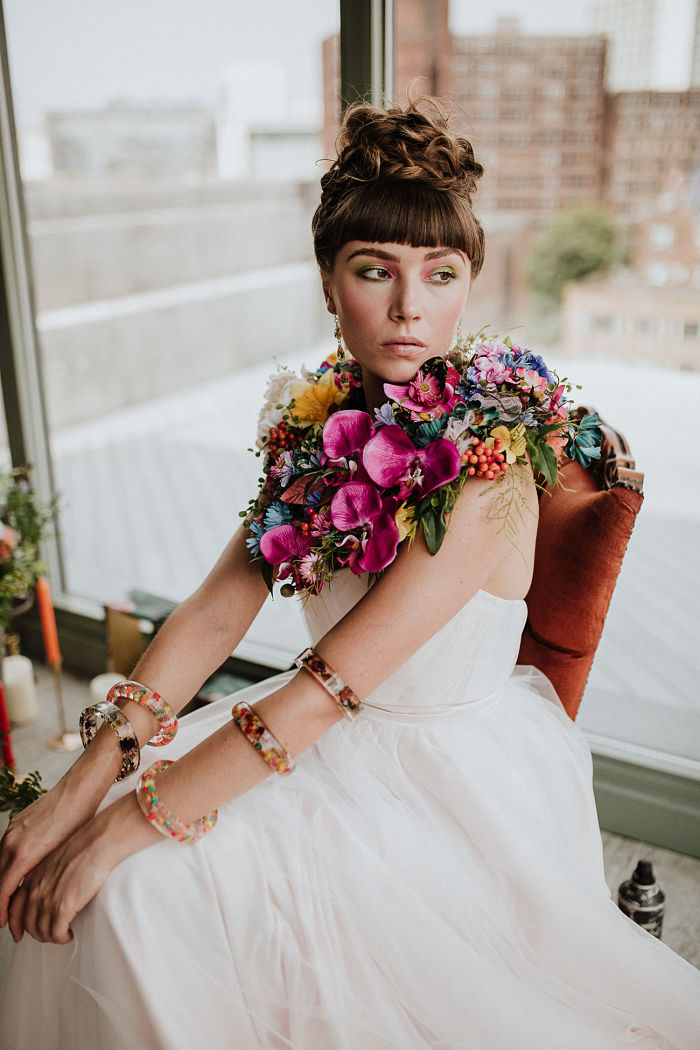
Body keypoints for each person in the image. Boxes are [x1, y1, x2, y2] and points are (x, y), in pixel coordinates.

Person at [0, 98, 699, 1050]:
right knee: (70, 846)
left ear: (467, 287)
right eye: (377, 271)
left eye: (440, 276)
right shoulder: (318, 426)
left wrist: (128, 823)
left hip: (444, 783)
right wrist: (86, 778)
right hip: (317, 740)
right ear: (331, 286)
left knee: (129, 884)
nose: (411, 308)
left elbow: (331, 686)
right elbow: (215, 608)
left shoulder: (493, 463)